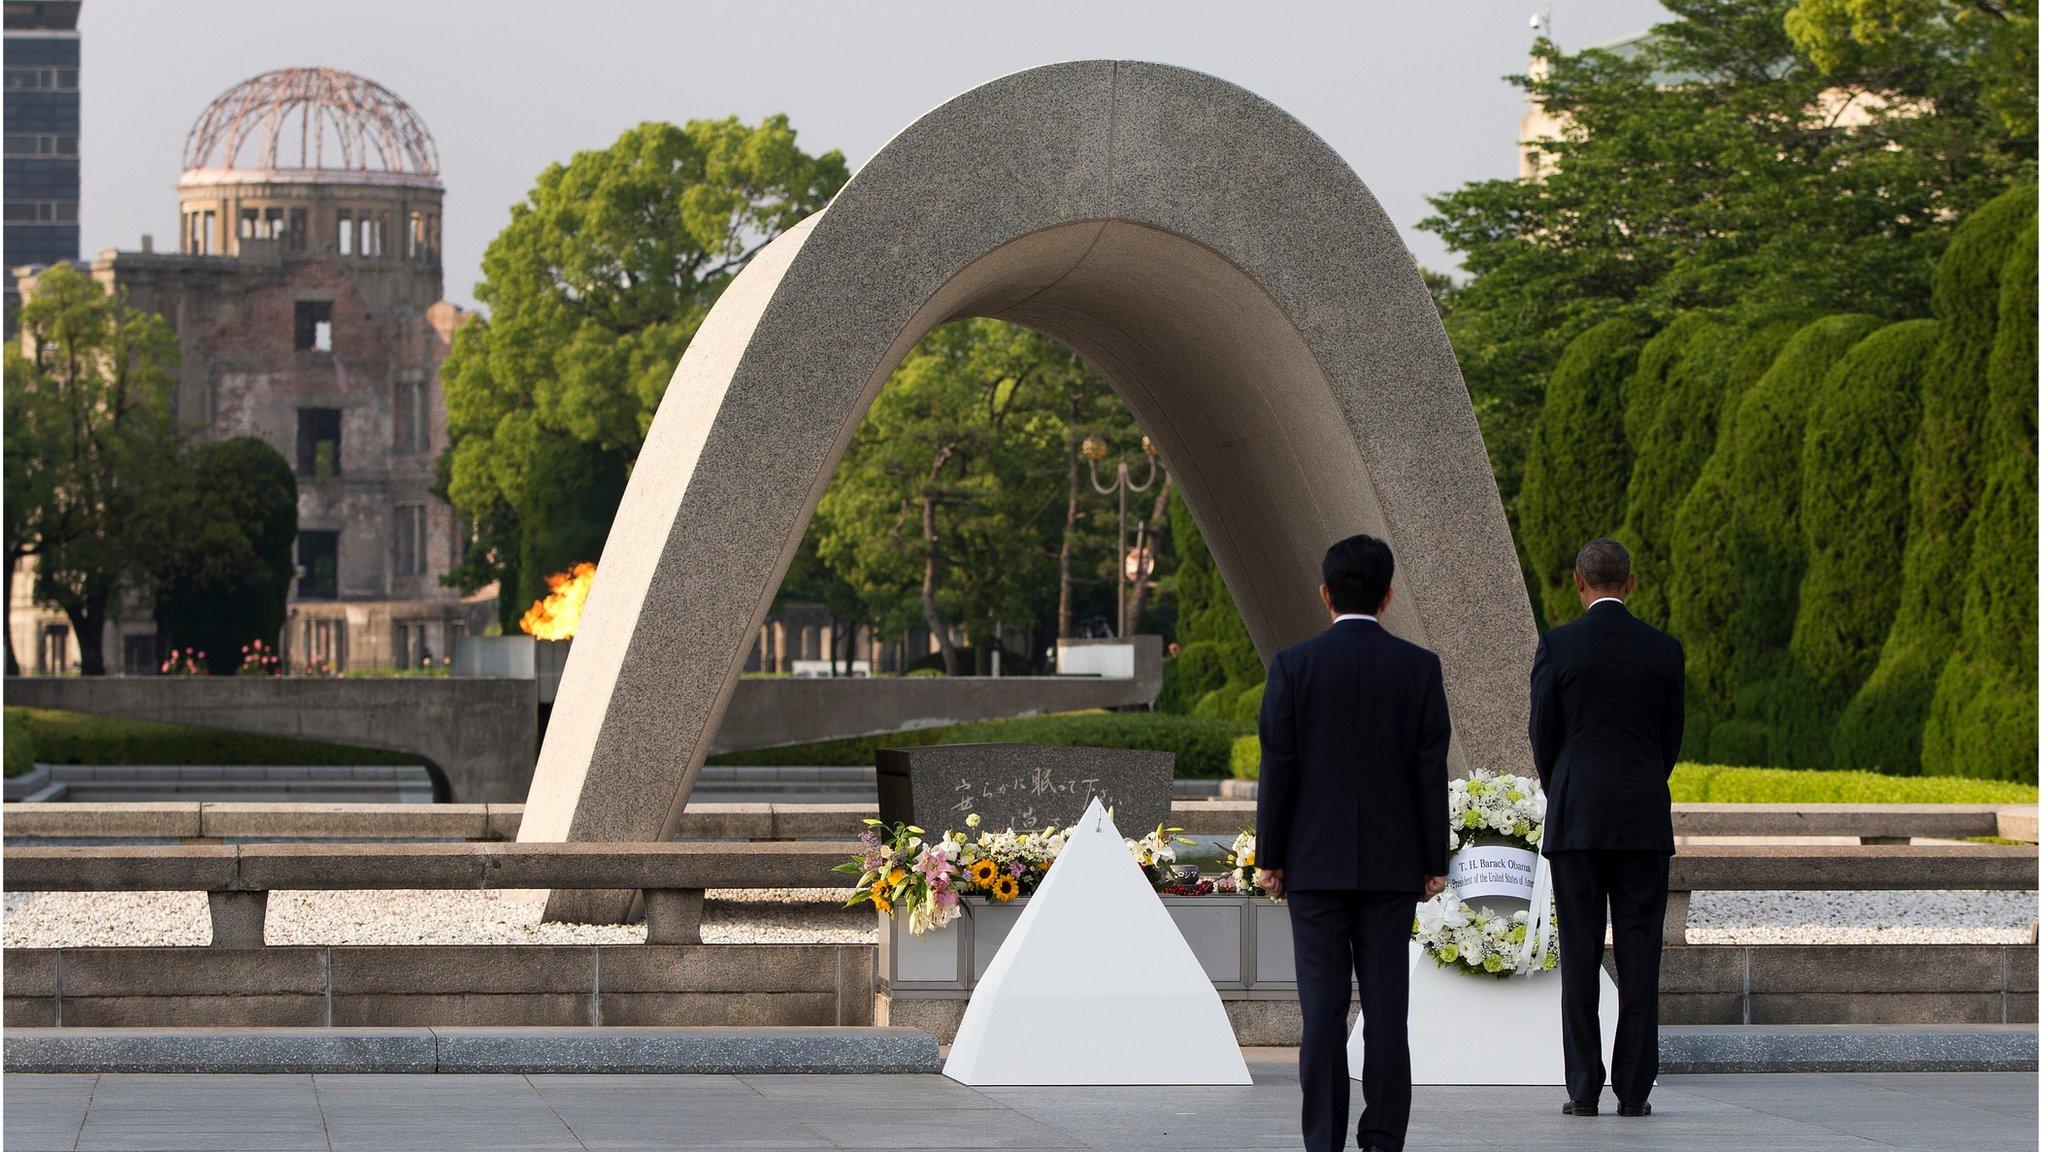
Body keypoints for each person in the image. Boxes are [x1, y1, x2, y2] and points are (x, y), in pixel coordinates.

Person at [1255, 534, 1451, 1152]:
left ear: (1325, 595)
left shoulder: (1293, 666)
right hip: (1394, 869)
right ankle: (1384, 1136)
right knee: (1388, 1009)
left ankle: (1323, 1140)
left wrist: (1272, 857)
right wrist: (1433, 861)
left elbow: (1278, 767)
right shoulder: (1419, 668)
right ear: (1389, 595)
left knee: (1322, 1014)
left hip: (1313, 866)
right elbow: (1429, 770)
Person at [1529, 537, 1684, 1119]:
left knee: (1580, 954)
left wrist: (1564, 785)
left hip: (1578, 821)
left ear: (1578, 582)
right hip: (1643, 820)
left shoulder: (1559, 646)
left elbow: (1543, 736)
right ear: (1632, 582)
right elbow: (1670, 740)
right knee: (1642, 957)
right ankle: (1635, 1090)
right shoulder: (1664, 651)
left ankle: (1584, 1088)